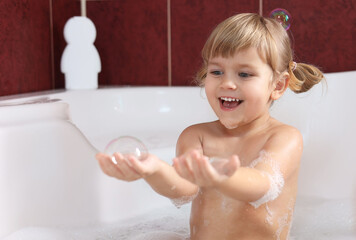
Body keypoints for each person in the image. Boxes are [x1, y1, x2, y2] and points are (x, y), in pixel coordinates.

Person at [96, 13, 324, 240]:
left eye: (244, 74)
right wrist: (155, 170)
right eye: (217, 72)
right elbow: (184, 190)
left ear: (278, 85)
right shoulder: (197, 136)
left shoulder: (284, 137)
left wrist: (221, 177)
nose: (227, 83)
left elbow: (264, 186)